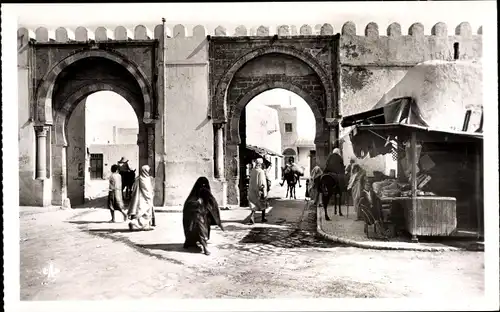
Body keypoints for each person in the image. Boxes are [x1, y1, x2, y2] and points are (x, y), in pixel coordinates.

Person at [183, 177, 224, 256]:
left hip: (205, 218)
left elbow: (213, 207)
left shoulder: (207, 194)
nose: (203, 187)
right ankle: (204, 246)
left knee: (202, 225)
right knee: (199, 223)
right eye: (201, 185)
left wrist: (218, 221)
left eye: (205, 185)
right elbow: (188, 208)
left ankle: (202, 243)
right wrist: (196, 204)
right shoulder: (193, 197)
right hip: (195, 218)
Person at [127, 164, 155, 231]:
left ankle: (134, 222)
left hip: (138, 198)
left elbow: (134, 188)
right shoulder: (146, 179)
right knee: (146, 213)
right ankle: (143, 226)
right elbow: (148, 191)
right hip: (145, 199)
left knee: (139, 212)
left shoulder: (138, 178)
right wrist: (151, 197)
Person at [247, 158, 268, 224]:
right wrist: (263, 189)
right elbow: (262, 182)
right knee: (263, 203)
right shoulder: (261, 171)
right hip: (259, 190)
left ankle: (252, 217)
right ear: (260, 164)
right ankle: (263, 217)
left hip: (252, 190)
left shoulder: (253, 170)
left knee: (253, 204)